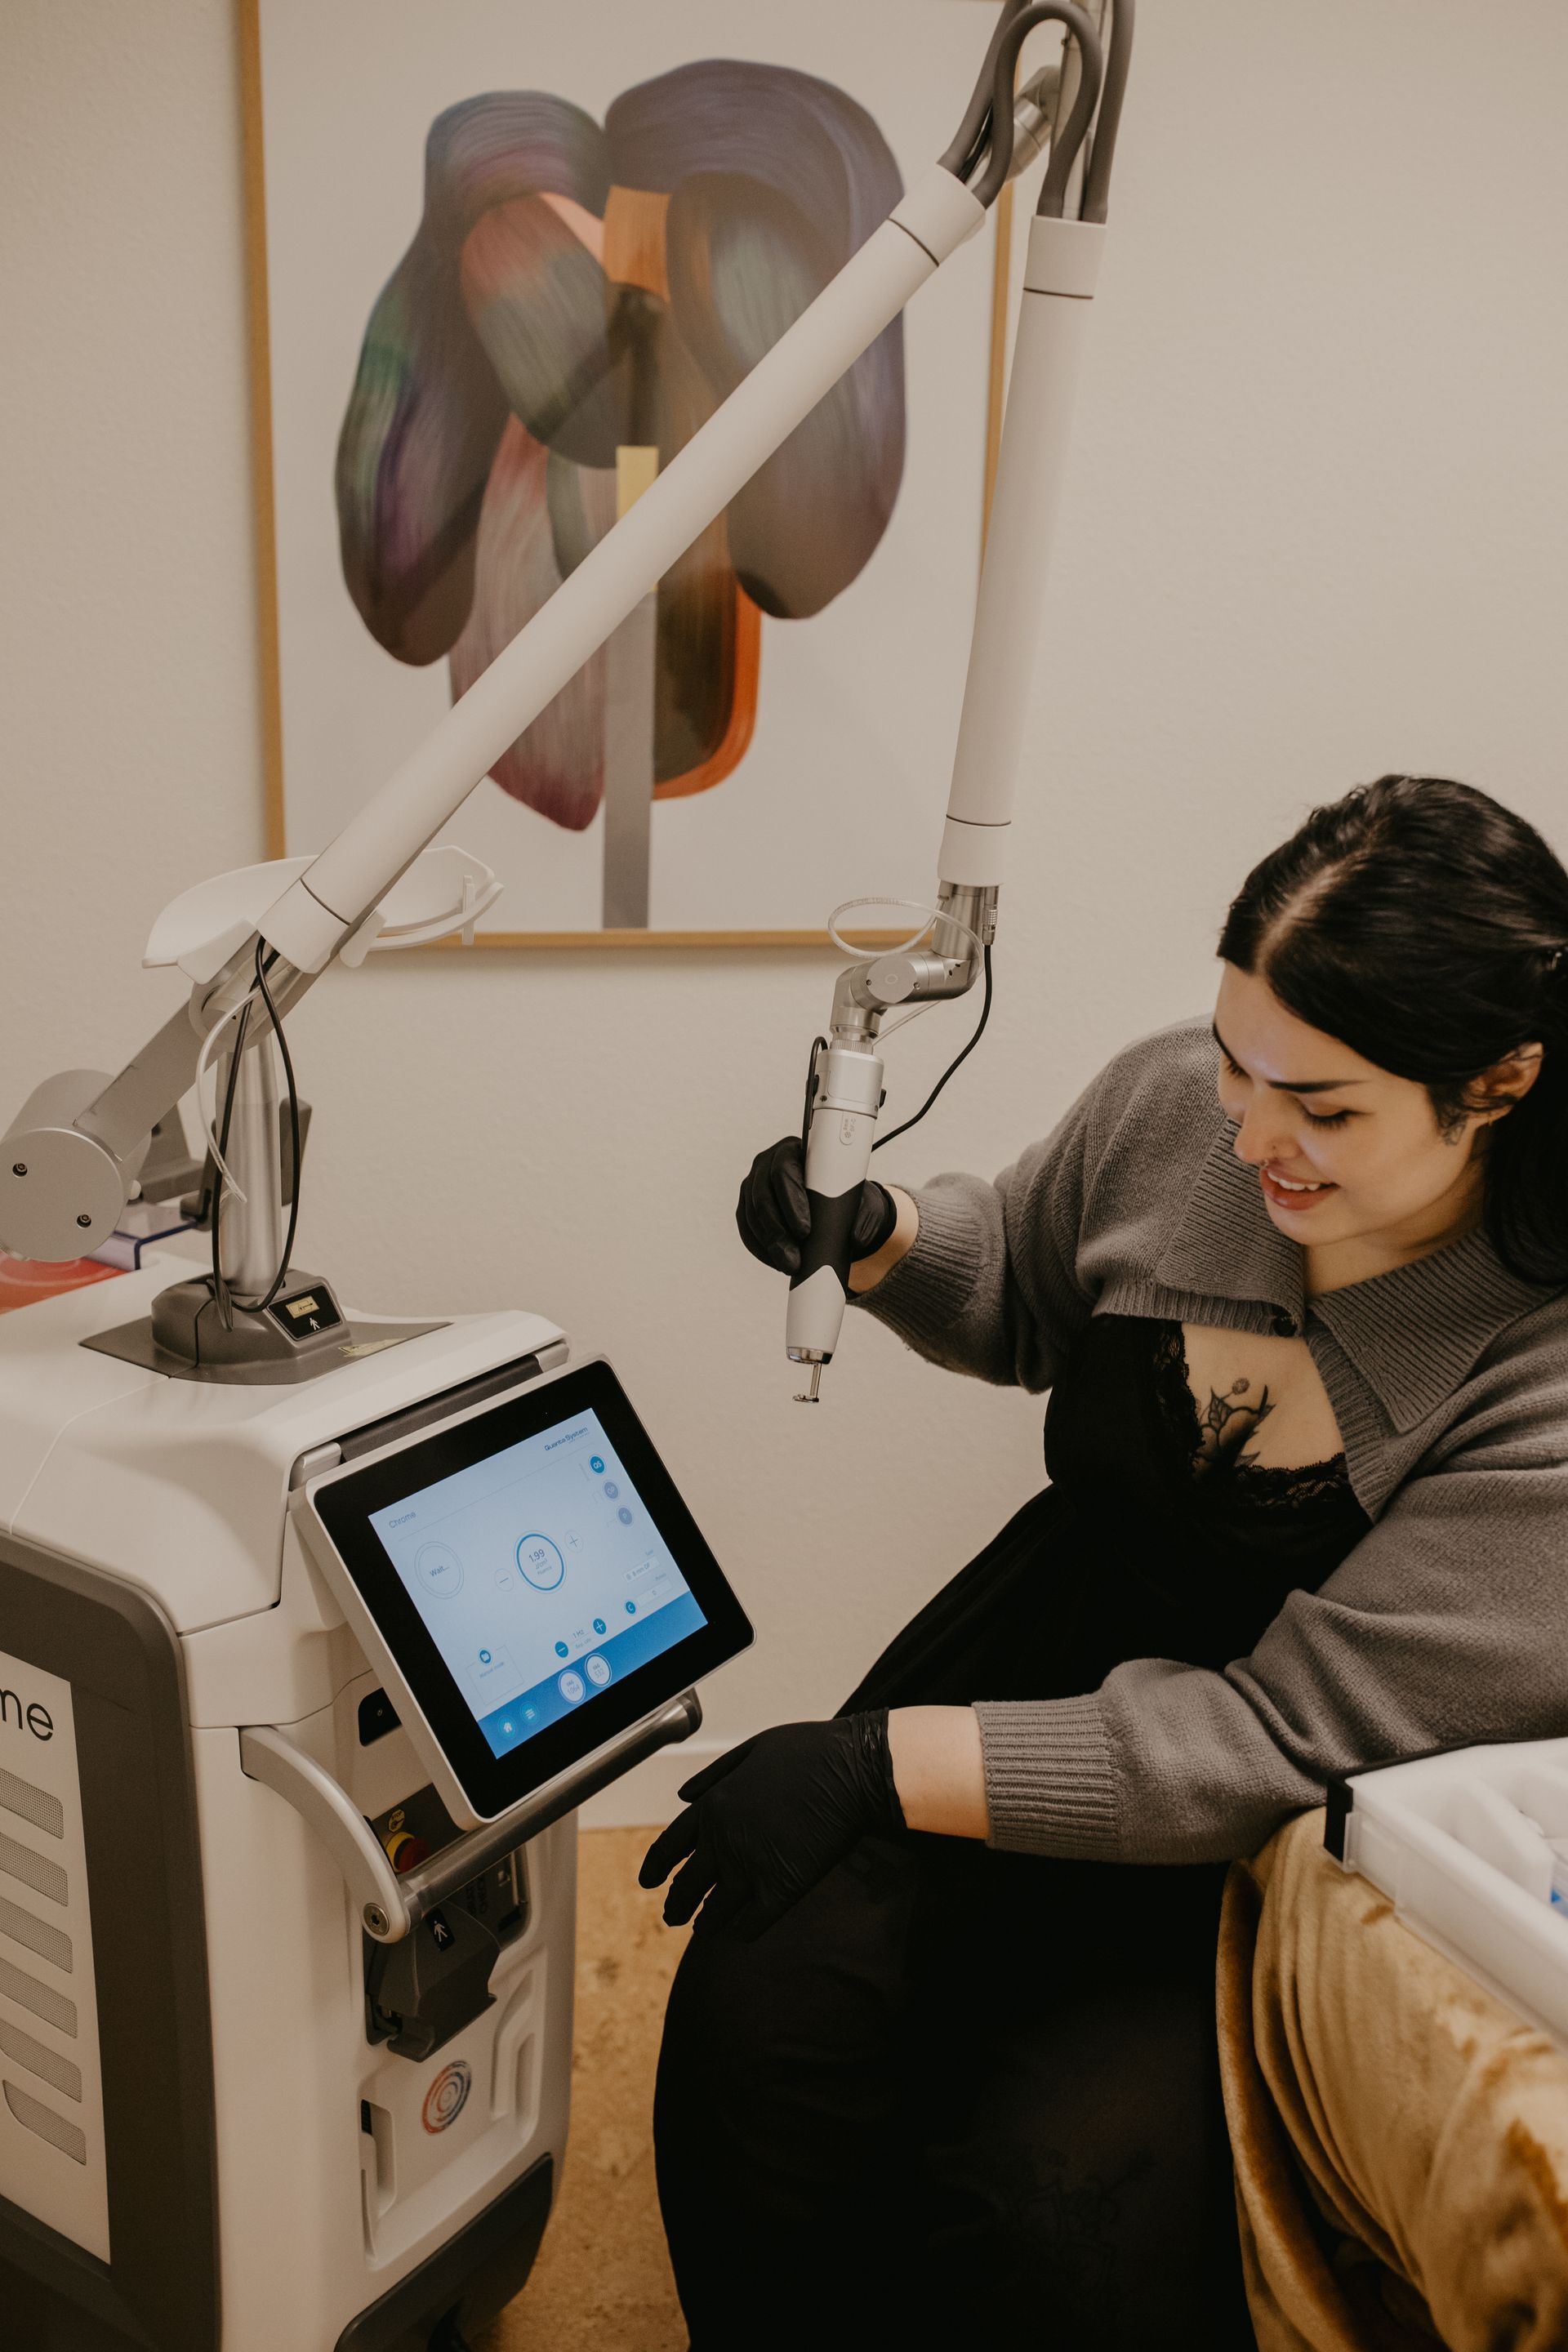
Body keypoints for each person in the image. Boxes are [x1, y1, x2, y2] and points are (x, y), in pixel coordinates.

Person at [641, 773, 1568, 2350]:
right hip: (1025, 1662)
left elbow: (1269, 1737)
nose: (1251, 1135)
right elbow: (1019, 1279)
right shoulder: (1177, 1114)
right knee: (765, 2018)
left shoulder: (1539, 1381)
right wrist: (874, 1236)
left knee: (1060, 2210)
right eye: (1237, 1061)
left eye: (1326, 1107)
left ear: (1499, 1083)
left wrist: (872, 1767)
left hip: (1259, 1831)